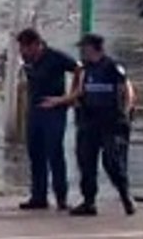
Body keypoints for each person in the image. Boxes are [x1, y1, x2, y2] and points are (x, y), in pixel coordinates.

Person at [42, 34, 136, 216]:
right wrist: (58, 101)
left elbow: (127, 90)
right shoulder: (85, 69)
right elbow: (79, 92)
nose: (82, 51)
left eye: (84, 47)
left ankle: (125, 196)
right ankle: (89, 201)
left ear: (93, 47)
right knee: (86, 161)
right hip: (89, 121)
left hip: (111, 121)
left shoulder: (112, 67)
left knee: (112, 162)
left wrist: (125, 113)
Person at [17, 28, 79, 211]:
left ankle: (61, 197)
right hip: (35, 110)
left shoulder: (55, 57)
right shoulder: (28, 60)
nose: (23, 52)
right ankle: (39, 196)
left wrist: (69, 98)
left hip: (54, 111)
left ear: (36, 45)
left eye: (25, 48)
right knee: (35, 153)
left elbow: (79, 69)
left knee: (54, 152)